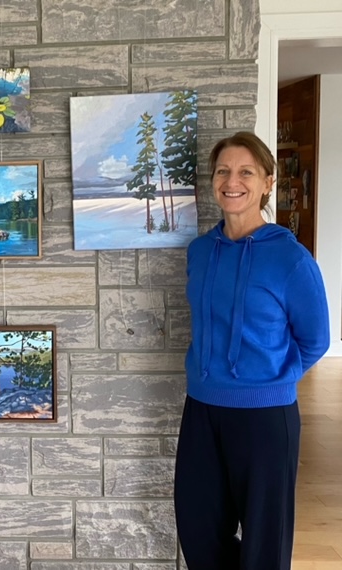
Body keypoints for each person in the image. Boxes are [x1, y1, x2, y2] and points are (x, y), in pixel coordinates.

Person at [174, 131, 330, 570]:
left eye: (246, 172)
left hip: (265, 417)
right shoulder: (201, 252)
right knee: (199, 529)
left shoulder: (291, 260)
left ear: (267, 182)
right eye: (223, 171)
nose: (232, 181)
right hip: (202, 407)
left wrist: (271, 380)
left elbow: (315, 340)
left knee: (264, 542)